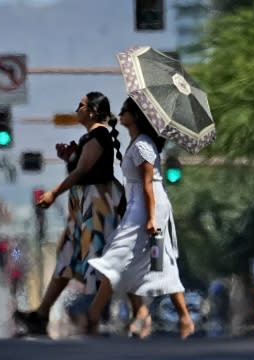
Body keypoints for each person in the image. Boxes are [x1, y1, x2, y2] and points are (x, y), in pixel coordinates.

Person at [15, 91, 143, 335]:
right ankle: (41, 315)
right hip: (84, 206)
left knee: (110, 260)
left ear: (93, 111)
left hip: (97, 206)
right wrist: (68, 157)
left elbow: (83, 171)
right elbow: (81, 166)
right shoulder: (90, 138)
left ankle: (136, 314)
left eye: (81, 105)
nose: (77, 109)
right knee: (67, 259)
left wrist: (53, 193)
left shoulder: (99, 135)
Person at [85, 97, 195, 339]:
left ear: (136, 116)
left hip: (148, 206)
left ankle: (92, 317)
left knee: (115, 258)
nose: (121, 113)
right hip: (140, 205)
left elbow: (148, 184)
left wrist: (151, 219)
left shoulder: (144, 145)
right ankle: (184, 318)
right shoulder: (136, 142)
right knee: (159, 263)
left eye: (125, 110)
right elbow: (136, 185)